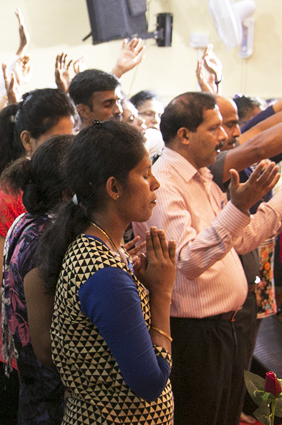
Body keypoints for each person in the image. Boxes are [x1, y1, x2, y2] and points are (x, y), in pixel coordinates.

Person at [132, 92, 282, 425]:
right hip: (194, 335)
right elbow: (188, 260)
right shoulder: (165, 184)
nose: (225, 137)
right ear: (184, 135)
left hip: (223, 328)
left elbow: (241, 240)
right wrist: (239, 207)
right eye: (215, 128)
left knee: (224, 416)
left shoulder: (203, 178)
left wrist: (280, 197)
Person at [41, 120, 175, 424]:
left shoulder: (100, 249)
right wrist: (162, 293)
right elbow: (150, 383)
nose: (155, 183)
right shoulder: (105, 273)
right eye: (144, 174)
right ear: (114, 188)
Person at [0, 88, 75, 425]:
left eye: (71, 140)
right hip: (15, 358)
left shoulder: (64, 198)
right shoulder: (6, 200)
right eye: (56, 141)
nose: (68, 152)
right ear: (27, 140)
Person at [0, 135, 73, 425]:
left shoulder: (30, 221)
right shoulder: (48, 238)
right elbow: (46, 347)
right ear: (70, 189)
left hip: (33, 381)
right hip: (52, 391)